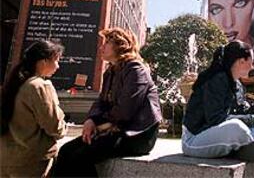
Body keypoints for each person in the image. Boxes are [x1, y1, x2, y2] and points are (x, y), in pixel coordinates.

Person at [52, 27, 162, 177]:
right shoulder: (110, 71)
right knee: (66, 150)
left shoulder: (136, 69)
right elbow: (101, 101)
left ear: (120, 45)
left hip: (136, 134)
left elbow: (126, 109)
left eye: (106, 43)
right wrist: (91, 119)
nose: (101, 47)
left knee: (80, 156)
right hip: (115, 129)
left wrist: (101, 124)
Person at [182, 40, 254, 162]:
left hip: (222, 135)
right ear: (241, 61)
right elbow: (215, 119)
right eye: (251, 62)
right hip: (194, 140)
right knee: (236, 127)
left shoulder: (237, 84)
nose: (252, 66)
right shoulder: (216, 79)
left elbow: (246, 114)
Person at [0, 40, 66, 177]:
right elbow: (54, 127)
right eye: (56, 61)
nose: (58, 66)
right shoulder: (39, 86)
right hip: (32, 162)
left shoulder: (14, 84)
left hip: (6, 159)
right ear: (43, 62)